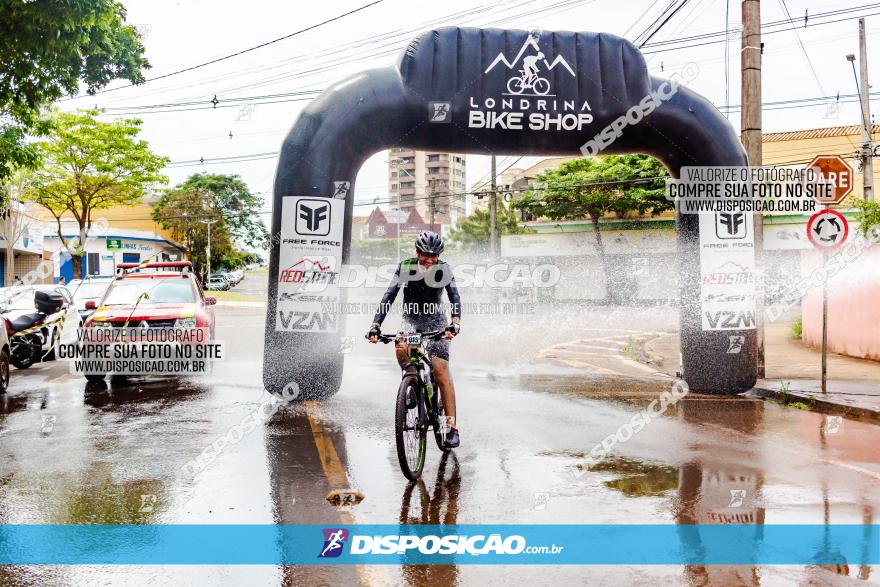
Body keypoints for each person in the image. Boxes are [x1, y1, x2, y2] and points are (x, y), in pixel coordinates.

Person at [367, 231, 462, 448]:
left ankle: (452, 426)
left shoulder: (443, 269)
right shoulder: (405, 267)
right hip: (411, 322)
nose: (429, 260)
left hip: (437, 323)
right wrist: (375, 324)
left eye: (434, 255)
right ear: (417, 252)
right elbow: (388, 296)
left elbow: (454, 296)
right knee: (401, 349)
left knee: (440, 370)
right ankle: (412, 382)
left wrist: (455, 322)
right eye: (425, 254)